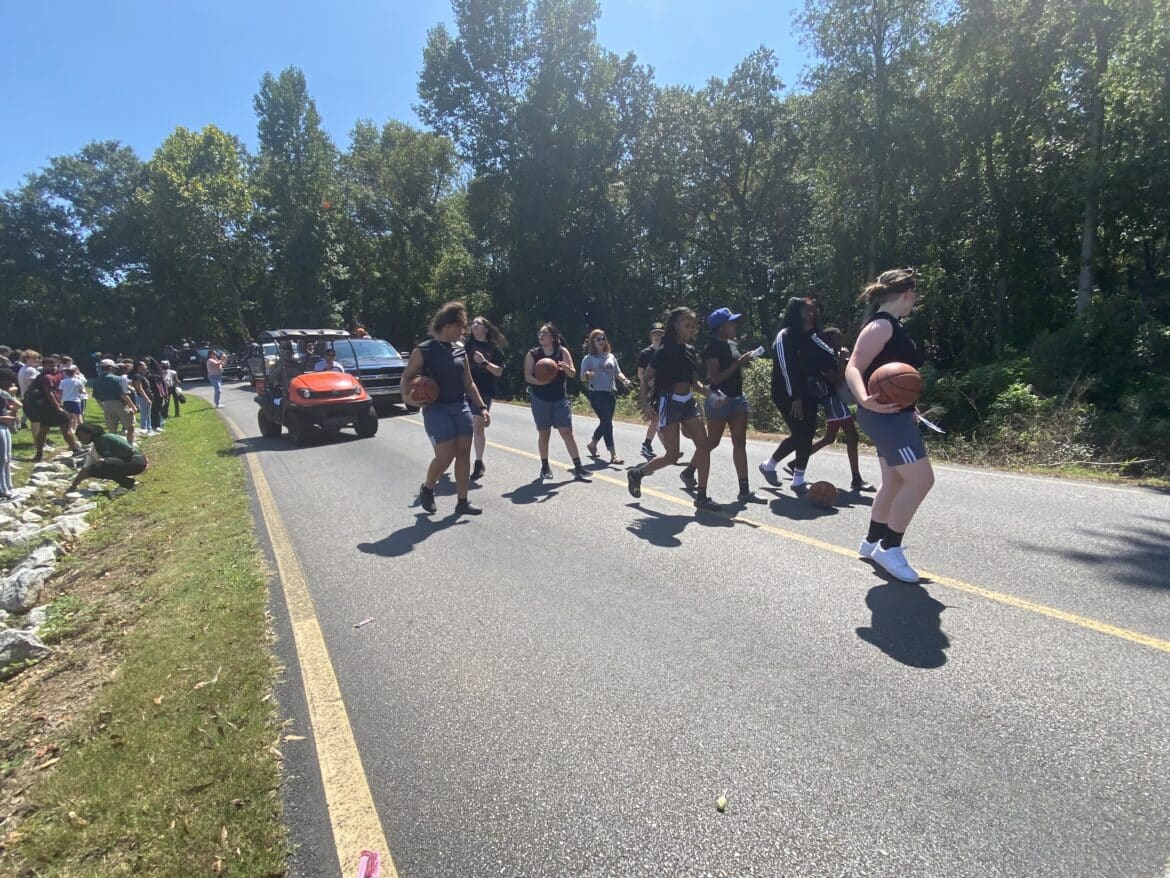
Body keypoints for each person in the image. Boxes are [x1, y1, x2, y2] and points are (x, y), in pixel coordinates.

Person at [846, 268, 932, 583]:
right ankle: (890, 547)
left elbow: (891, 376)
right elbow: (853, 367)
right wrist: (864, 399)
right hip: (884, 416)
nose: (915, 301)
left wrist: (909, 405)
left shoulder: (893, 325)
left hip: (893, 413)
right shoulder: (881, 325)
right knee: (921, 480)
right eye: (915, 295)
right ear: (908, 294)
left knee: (895, 481)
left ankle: (872, 542)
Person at [626, 307, 722, 512]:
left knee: (704, 446)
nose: (692, 329)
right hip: (669, 403)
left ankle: (702, 497)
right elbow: (645, 379)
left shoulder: (690, 350)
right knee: (672, 456)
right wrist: (646, 404)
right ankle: (637, 473)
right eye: (687, 325)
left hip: (688, 403)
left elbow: (695, 385)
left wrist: (713, 395)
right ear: (675, 325)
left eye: (694, 326)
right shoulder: (663, 351)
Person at [400, 301, 491, 516]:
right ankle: (428, 487)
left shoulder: (460, 351)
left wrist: (481, 406)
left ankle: (462, 502)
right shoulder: (423, 350)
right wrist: (408, 398)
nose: (463, 331)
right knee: (445, 454)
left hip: (460, 406)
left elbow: (469, 383)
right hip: (436, 409)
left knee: (463, 452)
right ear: (447, 325)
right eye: (460, 327)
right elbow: (406, 378)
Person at [682, 307, 763, 501]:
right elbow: (715, 378)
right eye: (731, 322)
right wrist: (738, 363)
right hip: (719, 399)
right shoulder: (712, 348)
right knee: (712, 442)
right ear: (721, 327)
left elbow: (734, 366)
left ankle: (744, 490)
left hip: (738, 398)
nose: (735, 325)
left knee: (740, 441)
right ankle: (689, 471)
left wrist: (745, 359)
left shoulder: (732, 343)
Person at [758, 297, 838, 494]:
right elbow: (786, 368)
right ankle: (786, 474)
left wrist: (813, 334)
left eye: (813, 310)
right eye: (806, 310)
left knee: (806, 433)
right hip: (786, 392)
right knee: (801, 432)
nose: (811, 313)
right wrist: (795, 397)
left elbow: (829, 356)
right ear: (796, 312)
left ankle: (782, 471)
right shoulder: (784, 335)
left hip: (809, 392)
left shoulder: (813, 336)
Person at [800, 327, 875, 492]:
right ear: (829, 341)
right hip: (833, 400)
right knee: (853, 436)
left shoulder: (834, 355)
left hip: (837, 400)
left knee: (829, 438)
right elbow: (837, 381)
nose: (842, 340)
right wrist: (841, 361)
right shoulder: (824, 358)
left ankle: (797, 463)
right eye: (838, 337)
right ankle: (856, 479)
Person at [524, 323, 591, 482]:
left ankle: (578, 467)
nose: (541, 335)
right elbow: (528, 376)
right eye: (539, 333)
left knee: (567, 432)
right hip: (540, 398)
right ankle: (545, 467)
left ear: (553, 337)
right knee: (544, 433)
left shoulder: (562, 352)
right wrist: (540, 382)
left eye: (544, 333)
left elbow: (573, 374)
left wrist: (566, 368)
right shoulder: (533, 354)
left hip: (560, 398)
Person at [580, 328, 631, 466]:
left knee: (605, 422)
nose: (601, 341)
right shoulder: (588, 359)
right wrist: (587, 375)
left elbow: (617, 372)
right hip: (597, 393)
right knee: (607, 423)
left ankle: (593, 443)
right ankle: (613, 454)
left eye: (603, 338)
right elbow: (582, 377)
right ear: (593, 342)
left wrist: (625, 380)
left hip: (610, 393)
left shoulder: (610, 356)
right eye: (598, 339)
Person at [464, 316, 506, 481]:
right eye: (473, 323)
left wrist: (484, 362)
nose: (474, 325)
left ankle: (478, 462)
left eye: (478, 323)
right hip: (464, 389)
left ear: (486, 329)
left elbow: (499, 372)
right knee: (463, 426)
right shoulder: (467, 344)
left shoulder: (494, 348)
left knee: (477, 425)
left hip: (484, 391)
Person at [26, 355, 83, 461]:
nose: (54, 368)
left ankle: (39, 454)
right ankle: (75, 449)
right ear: (44, 366)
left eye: (55, 365)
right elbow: (50, 393)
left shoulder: (51, 375)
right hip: (51, 406)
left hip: (44, 408)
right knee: (66, 426)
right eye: (51, 366)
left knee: (43, 430)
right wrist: (57, 407)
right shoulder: (46, 377)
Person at [68, 423, 149, 491]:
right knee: (93, 469)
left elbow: (130, 451)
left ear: (88, 434)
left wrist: (106, 461)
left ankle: (128, 484)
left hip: (136, 462)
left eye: (80, 436)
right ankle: (127, 483)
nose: (80, 440)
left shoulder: (105, 439)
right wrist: (73, 486)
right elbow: (85, 469)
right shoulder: (96, 446)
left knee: (103, 464)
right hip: (134, 463)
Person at [635, 322, 666, 459]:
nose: (658, 336)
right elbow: (640, 373)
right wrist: (649, 382)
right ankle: (648, 445)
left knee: (662, 421)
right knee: (656, 419)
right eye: (655, 334)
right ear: (651, 336)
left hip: (666, 390)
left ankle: (669, 450)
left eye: (660, 334)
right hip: (651, 391)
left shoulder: (667, 352)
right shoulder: (646, 353)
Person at [92, 359, 137, 444]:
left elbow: (96, 397)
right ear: (110, 368)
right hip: (120, 404)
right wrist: (133, 406)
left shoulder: (97, 380)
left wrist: (102, 406)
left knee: (112, 429)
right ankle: (130, 445)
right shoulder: (117, 379)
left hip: (106, 404)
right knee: (130, 427)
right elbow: (123, 394)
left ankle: (114, 446)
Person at [0, 384, 20, 501]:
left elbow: (15, 405)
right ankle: (2, 491)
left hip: (5, 426)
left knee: (7, 458)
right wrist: (4, 418)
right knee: (1, 460)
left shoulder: (2, 393)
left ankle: (9, 487)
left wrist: (9, 413)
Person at [60, 364, 86, 430]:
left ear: (66, 373)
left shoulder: (62, 381)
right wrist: (83, 392)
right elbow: (81, 391)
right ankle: (82, 429)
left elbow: (61, 392)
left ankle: (70, 429)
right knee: (79, 416)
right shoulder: (78, 381)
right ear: (74, 373)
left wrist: (60, 401)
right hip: (76, 401)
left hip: (66, 401)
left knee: (70, 417)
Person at [131, 361, 155, 435]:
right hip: (143, 397)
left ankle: (149, 429)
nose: (145, 366)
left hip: (148, 396)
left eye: (145, 365)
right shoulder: (137, 376)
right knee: (144, 415)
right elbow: (139, 389)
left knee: (148, 414)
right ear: (138, 367)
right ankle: (144, 430)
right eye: (143, 365)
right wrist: (146, 398)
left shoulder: (143, 376)